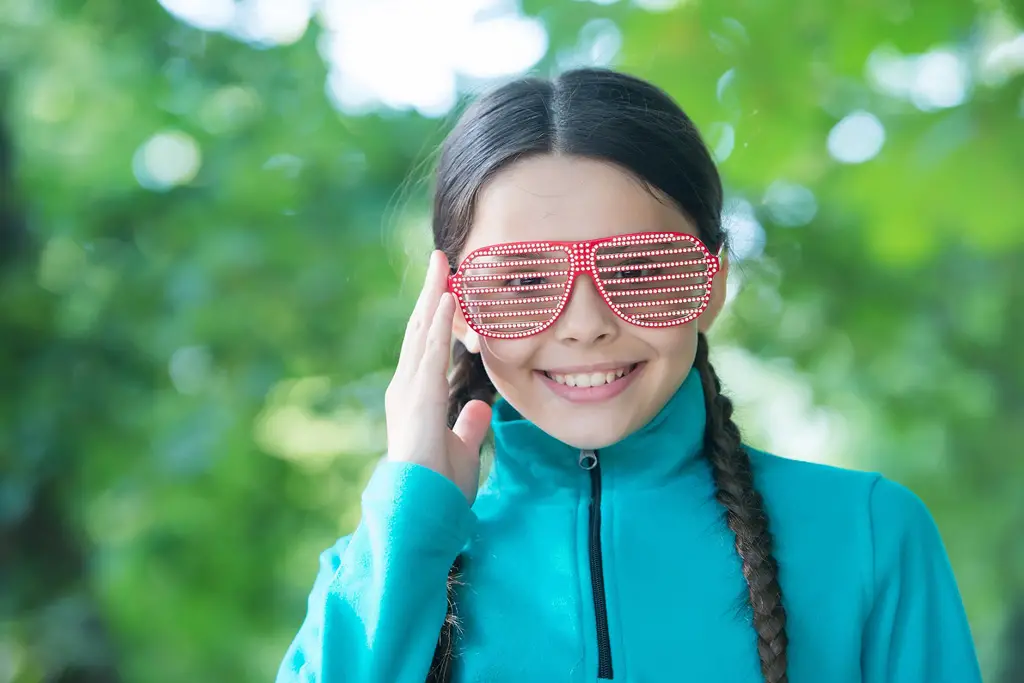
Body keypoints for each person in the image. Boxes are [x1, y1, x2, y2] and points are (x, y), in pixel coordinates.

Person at [275, 69, 982, 683]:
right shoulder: (375, 573)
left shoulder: (868, 533)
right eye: (522, 279)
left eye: (639, 268)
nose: (584, 323)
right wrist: (411, 519)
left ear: (714, 283)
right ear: (454, 307)